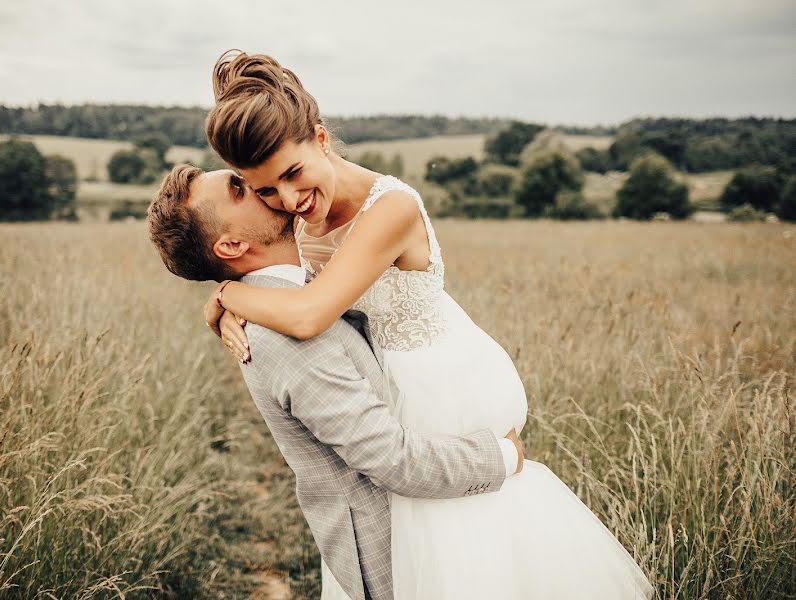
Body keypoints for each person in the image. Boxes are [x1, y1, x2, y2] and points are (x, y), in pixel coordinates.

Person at [200, 50, 654, 599]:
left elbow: (311, 311)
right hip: (376, 377)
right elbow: (291, 290)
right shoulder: (300, 216)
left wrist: (227, 295)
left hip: (436, 382)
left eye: (294, 174)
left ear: (320, 139)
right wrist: (229, 304)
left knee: (459, 544)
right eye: (267, 190)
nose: (289, 200)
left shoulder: (390, 208)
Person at [146, 164, 526, 600]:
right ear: (231, 244)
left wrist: (224, 296)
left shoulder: (300, 286)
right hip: (394, 550)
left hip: (428, 526)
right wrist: (502, 456)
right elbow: (391, 459)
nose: (257, 185)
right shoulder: (280, 336)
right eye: (238, 189)